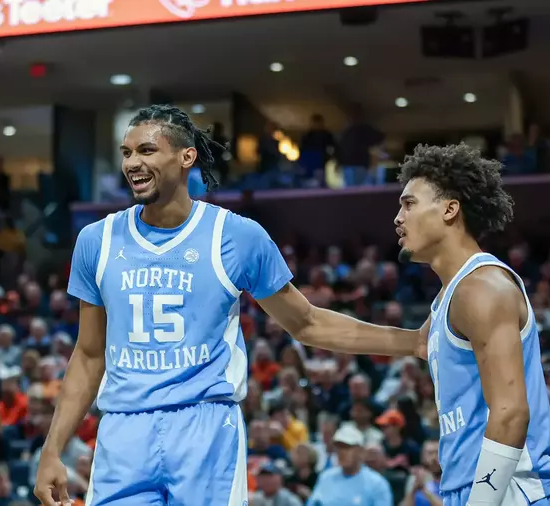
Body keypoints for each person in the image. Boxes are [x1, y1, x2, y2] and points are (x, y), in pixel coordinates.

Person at [33, 104, 424, 506]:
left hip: (206, 426)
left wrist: (411, 342)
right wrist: (52, 449)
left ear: (187, 157)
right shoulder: (96, 240)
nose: (133, 163)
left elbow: (306, 323)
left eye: (147, 151)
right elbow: (89, 354)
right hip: (122, 430)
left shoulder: (236, 235)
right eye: (127, 153)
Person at [305, 144, 550, 505]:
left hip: (509, 488)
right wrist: (298, 319)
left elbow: (511, 413)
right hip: (470, 485)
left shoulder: (481, 288)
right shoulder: (448, 297)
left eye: (409, 204)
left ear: (449, 209)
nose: (398, 218)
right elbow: (393, 339)